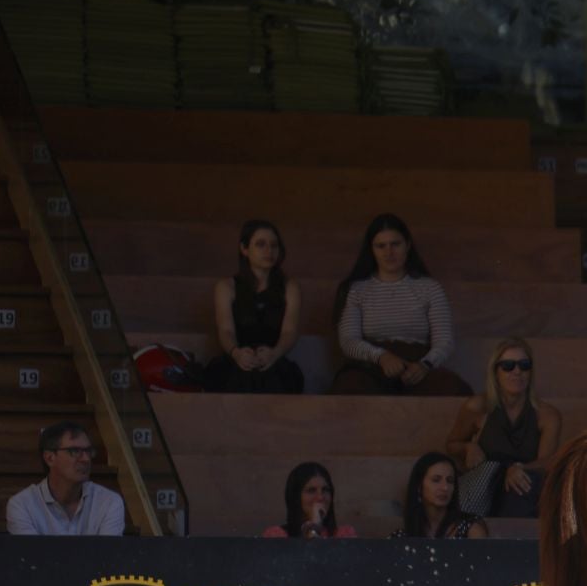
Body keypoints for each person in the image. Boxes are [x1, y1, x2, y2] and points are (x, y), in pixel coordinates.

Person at [330, 213, 469, 396]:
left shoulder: (430, 288)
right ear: (371, 250)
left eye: (395, 244)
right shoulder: (357, 290)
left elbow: (445, 341)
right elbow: (349, 341)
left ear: (407, 245)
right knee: (350, 386)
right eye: (381, 246)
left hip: (417, 364)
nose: (389, 253)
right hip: (371, 367)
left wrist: (425, 365)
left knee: (452, 388)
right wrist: (382, 357)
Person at [444, 338, 560, 517]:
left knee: (522, 485)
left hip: (523, 482)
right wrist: (468, 447)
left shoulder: (547, 415)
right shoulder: (477, 407)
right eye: (508, 366)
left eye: (524, 365)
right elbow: (451, 444)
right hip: (485, 483)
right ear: (495, 372)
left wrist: (519, 468)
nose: (517, 371)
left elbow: (546, 462)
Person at [204, 219, 304, 394]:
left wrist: (275, 353)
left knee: (274, 378)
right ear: (244, 249)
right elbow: (226, 330)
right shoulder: (226, 287)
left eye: (274, 245)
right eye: (260, 244)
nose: (269, 251)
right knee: (237, 377)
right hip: (237, 357)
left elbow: (290, 331)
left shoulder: (290, 287)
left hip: (273, 358)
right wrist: (237, 353)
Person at [5, 422, 126, 536]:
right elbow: (30, 552)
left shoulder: (109, 502)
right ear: (50, 458)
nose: (86, 459)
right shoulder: (22, 505)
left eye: (88, 451)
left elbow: (108, 552)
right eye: (75, 451)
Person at [394, 451, 489, 539]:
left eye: (450, 481)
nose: (445, 487)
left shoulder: (470, 528)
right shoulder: (402, 537)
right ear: (419, 486)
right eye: (436, 480)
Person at [263, 461, 357, 539]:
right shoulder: (277, 535)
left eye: (325, 490)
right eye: (311, 490)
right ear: (296, 497)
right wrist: (313, 527)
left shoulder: (344, 535)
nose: (320, 497)